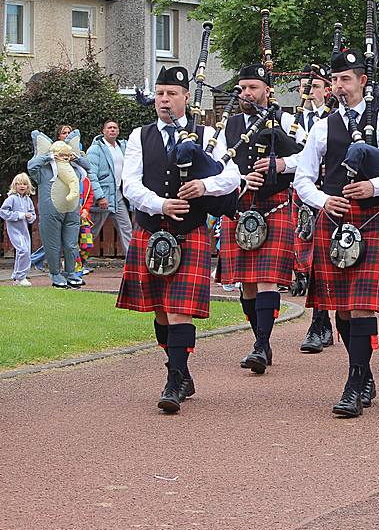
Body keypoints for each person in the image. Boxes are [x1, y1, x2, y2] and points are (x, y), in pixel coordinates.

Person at [293, 48, 379, 417]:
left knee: (362, 306)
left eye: (345, 79)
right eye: (334, 80)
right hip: (334, 220)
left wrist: (374, 187)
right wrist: (323, 200)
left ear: (363, 81)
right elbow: (303, 178)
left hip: (371, 217)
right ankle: (362, 373)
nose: (338, 86)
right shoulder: (323, 125)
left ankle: (354, 380)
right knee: (343, 311)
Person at [116, 65, 240, 413]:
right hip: (151, 230)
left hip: (190, 231)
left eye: (171, 94)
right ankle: (178, 372)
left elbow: (231, 177)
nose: (164, 100)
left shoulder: (208, 134)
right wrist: (160, 204)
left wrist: (204, 185)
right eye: (160, 94)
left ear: (187, 97)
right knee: (160, 312)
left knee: (179, 309)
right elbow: (130, 184)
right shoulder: (140, 136)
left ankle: (176, 378)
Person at [214, 64, 301, 374]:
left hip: (273, 204)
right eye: (241, 88)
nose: (245, 93)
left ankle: (262, 345)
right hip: (239, 205)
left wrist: (278, 163)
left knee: (266, 280)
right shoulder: (228, 125)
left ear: (266, 89)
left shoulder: (287, 120)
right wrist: (239, 177)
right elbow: (216, 164)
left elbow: (306, 158)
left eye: (252, 87)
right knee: (247, 284)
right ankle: (259, 341)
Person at [293, 65, 337, 354]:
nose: (307, 90)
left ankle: (320, 324)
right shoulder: (291, 121)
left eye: (314, 86)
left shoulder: (333, 121)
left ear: (326, 90)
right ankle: (322, 325)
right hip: (303, 194)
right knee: (310, 264)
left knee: (325, 262)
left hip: (330, 195)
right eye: (303, 85)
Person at [27, 126, 90, 288]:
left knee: (71, 245)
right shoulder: (44, 170)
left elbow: (88, 165)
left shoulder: (75, 168)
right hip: (51, 213)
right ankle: (55, 273)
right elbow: (31, 166)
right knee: (52, 245)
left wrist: (74, 157)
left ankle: (70, 272)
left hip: (72, 211)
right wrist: (48, 156)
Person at [87, 120, 132, 256]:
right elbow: (91, 174)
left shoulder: (123, 147)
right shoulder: (95, 149)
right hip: (103, 195)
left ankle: (132, 264)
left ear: (118, 131)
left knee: (126, 228)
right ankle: (75, 264)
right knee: (91, 231)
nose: (112, 130)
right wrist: (100, 196)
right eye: (109, 128)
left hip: (117, 194)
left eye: (115, 128)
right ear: (103, 131)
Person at [1, 173, 36, 285]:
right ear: (15, 185)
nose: (22, 186)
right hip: (14, 230)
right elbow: (3, 212)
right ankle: (20, 277)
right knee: (23, 250)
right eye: (19, 184)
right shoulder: (11, 199)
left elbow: (32, 213)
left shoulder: (28, 200)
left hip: (24, 231)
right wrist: (20, 215)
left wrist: (30, 217)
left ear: (28, 186)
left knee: (26, 251)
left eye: (25, 184)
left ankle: (18, 277)